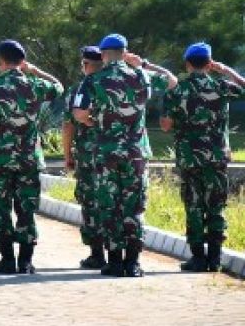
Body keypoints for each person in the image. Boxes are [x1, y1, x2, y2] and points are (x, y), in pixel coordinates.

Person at [71, 32, 176, 277]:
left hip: (106, 153)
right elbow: (172, 81)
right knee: (134, 206)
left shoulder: (94, 79)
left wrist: (96, 120)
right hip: (136, 153)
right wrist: (144, 64)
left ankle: (115, 262)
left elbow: (78, 113)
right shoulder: (142, 76)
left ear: (104, 55)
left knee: (109, 205)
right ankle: (133, 263)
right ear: (125, 52)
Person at [0, 39, 64, 274]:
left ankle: (6, 260)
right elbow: (59, 86)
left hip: (0, 158)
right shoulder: (35, 85)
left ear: (0, 61)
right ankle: (25, 261)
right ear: (22, 62)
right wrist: (34, 70)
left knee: (0, 207)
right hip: (29, 158)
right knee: (26, 208)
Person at [159, 41, 244, 273]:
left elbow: (165, 125)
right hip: (216, 157)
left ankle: (198, 258)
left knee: (194, 205)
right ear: (209, 64)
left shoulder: (177, 91)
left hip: (189, 158)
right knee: (216, 205)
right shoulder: (221, 86)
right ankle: (215, 259)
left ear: (187, 64)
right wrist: (225, 70)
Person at [62, 45, 107, 268]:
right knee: (113, 201)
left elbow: (68, 125)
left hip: (89, 157)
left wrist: (67, 154)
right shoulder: (115, 84)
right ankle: (117, 251)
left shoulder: (80, 89)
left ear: (86, 65)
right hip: (115, 155)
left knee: (90, 202)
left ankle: (97, 253)